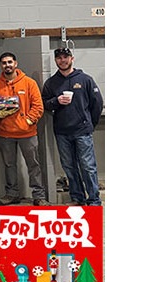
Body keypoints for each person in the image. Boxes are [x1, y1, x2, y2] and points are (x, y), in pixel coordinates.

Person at [42, 47, 104, 206]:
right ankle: (77, 198)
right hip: (62, 132)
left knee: (88, 167)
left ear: (72, 58)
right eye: (59, 58)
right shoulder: (51, 83)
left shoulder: (85, 79)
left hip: (82, 131)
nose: (62, 60)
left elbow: (97, 103)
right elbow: (45, 103)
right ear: (55, 60)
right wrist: (56, 101)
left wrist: (89, 123)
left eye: (66, 57)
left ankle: (94, 200)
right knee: (69, 167)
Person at [0, 52, 49, 206]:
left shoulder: (29, 83)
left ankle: (39, 196)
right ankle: (12, 194)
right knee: (9, 166)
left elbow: (38, 106)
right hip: (5, 133)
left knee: (34, 165)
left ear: (15, 63)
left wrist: (28, 121)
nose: (7, 65)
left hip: (27, 133)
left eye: (10, 62)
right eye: (4, 63)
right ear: (1, 65)